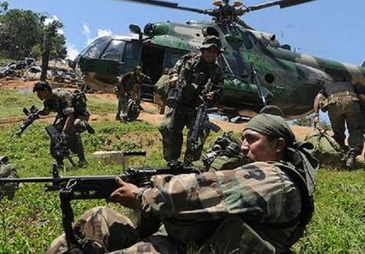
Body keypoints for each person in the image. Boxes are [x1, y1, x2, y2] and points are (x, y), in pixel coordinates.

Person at [47, 113, 318, 254]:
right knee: (98, 218)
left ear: (278, 145)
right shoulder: (267, 175)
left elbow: (192, 193)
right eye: (244, 139)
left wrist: (142, 195)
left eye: (252, 139)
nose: (244, 147)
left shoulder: (276, 179)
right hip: (189, 242)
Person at [159, 35, 224, 165]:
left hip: (198, 108)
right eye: (207, 50)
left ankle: (190, 164)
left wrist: (213, 95)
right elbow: (174, 69)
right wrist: (174, 77)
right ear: (202, 50)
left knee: (198, 136)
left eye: (213, 52)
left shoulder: (217, 71)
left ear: (217, 54)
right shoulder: (189, 59)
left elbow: (220, 91)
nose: (209, 54)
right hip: (180, 102)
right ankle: (172, 161)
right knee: (168, 129)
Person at [312, 76, 365, 169]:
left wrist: (316, 115)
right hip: (351, 101)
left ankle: (340, 156)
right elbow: (364, 99)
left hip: (333, 103)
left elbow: (318, 98)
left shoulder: (327, 86)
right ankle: (351, 156)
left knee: (338, 133)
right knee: (355, 130)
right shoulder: (351, 85)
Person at [33, 81, 94, 168]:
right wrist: (37, 113)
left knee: (72, 131)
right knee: (54, 133)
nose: (38, 96)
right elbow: (46, 111)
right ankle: (59, 162)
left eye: (39, 93)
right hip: (66, 118)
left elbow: (70, 116)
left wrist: (64, 132)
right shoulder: (48, 101)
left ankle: (82, 159)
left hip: (79, 116)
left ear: (45, 90)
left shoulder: (63, 96)